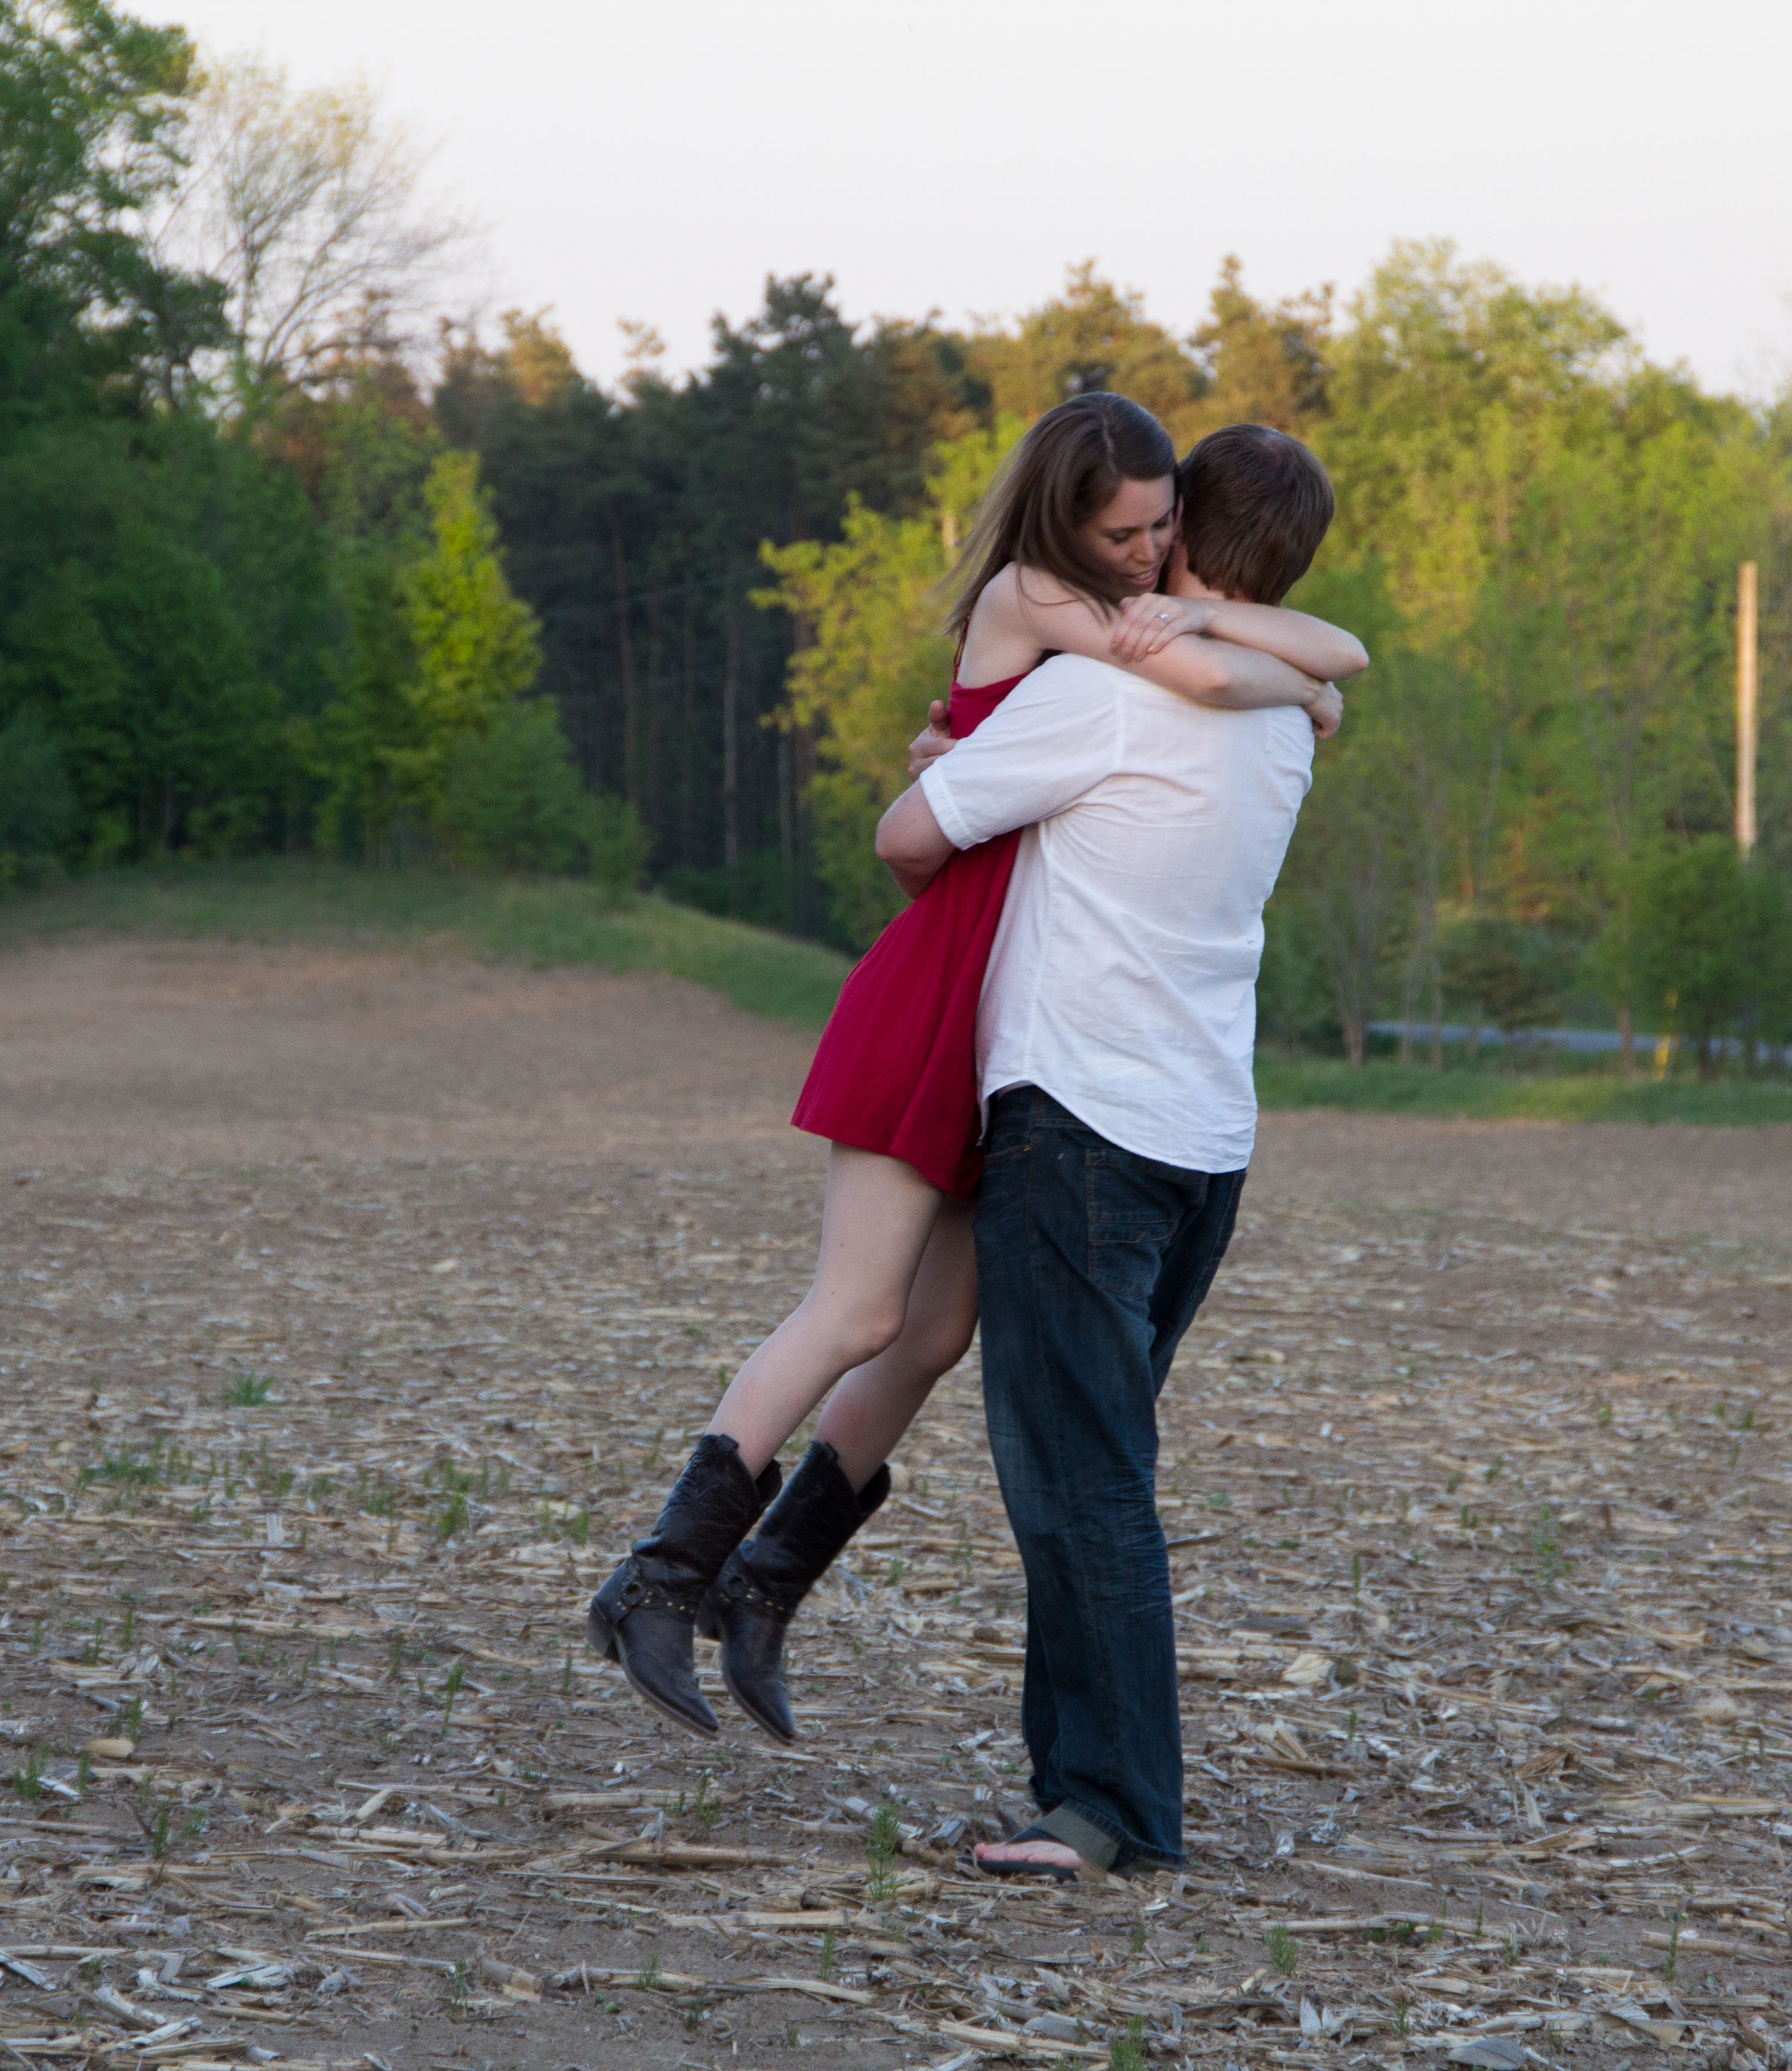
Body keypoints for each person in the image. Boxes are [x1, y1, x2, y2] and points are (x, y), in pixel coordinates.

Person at [585, 397, 1366, 1743]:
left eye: (1163, 528)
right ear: (1072, 517)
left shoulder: (1137, 624)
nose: (1145, 553)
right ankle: (658, 1578)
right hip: (947, 978)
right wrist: (1301, 686)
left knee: (935, 1334)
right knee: (855, 1313)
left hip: (1009, 1005)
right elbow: (1200, 684)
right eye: (1126, 531)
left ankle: (766, 1586)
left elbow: (1312, 648)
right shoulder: (1052, 607)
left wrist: (1282, 663)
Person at [875, 422, 1343, 1880]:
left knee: (1079, 1485)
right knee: (1095, 1471)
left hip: (1081, 1126)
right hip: (1203, 1141)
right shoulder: (1287, 718)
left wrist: (960, 762)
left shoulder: (1099, 694)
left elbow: (911, 837)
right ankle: (1081, 1784)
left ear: (1183, 529)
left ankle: (1109, 1808)